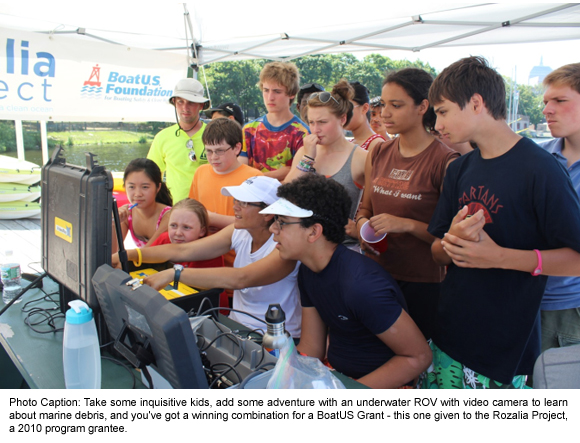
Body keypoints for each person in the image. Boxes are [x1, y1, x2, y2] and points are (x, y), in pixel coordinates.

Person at [424, 56, 580, 389]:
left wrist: (499, 257)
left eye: (442, 111)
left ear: (476, 103)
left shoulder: (543, 170)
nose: (437, 124)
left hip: (505, 348)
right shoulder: (459, 169)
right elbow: (437, 252)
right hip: (450, 335)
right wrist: (452, 240)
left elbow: (575, 259)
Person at [260, 174, 432, 388]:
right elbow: (312, 349)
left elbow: (418, 357)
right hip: (337, 376)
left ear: (314, 231)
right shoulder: (308, 269)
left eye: (282, 223)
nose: (272, 230)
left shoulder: (361, 286)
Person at [114, 176, 302, 339]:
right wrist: (126, 255)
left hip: (275, 337)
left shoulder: (285, 247)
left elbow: (241, 278)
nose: (235, 207)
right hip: (236, 326)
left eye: (243, 203)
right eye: (236, 200)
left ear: (268, 213)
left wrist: (174, 274)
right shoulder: (240, 231)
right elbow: (183, 251)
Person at [356, 68, 459, 341]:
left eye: (396, 105)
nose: (384, 113)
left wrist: (407, 225)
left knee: (417, 363)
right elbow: (364, 209)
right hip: (376, 275)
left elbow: (450, 240)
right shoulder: (377, 152)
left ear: (423, 107)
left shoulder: (446, 161)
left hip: (423, 285)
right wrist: (363, 226)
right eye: (383, 104)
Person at [285, 80, 367, 249]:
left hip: (343, 248)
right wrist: (308, 158)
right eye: (311, 122)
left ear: (342, 119)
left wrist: (359, 227)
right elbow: (285, 194)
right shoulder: (305, 152)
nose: (315, 129)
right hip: (305, 247)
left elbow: (376, 204)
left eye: (322, 122)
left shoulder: (360, 157)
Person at [539, 63, 580, 353]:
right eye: (545, 102)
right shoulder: (537, 157)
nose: (547, 110)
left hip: (570, 306)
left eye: (560, 101)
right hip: (525, 298)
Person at [188, 118, 262, 237]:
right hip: (203, 248)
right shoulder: (200, 172)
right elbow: (192, 211)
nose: (213, 157)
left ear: (237, 148)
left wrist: (212, 219)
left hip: (237, 251)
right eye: (209, 151)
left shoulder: (254, 178)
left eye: (220, 151)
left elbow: (257, 223)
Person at [240, 61, 309, 181]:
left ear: (292, 94)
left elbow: (299, 175)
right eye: (266, 90)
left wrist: (256, 177)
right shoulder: (248, 130)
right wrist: (282, 172)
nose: (270, 97)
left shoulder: (302, 133)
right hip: (251, 198)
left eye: (277, 91)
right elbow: (240, 173)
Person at [147, 78, 210, 202]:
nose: (185, 108)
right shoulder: (162, 137)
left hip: (211, 211)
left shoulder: (215, 134)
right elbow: (151, 176)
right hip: (175, 211)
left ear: (201, 105)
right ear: (174, 102)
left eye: (191, 102)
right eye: (180, 102)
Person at [148, 198, 224, 269]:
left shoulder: (210, 253)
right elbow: (145, 261)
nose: (178, 233)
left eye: (186, 227)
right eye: (173, 225)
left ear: (202, 231)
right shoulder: (164, 240)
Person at [115, 158, 173, 251]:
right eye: (131, 187)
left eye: (145, 187)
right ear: (124, 187)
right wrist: (115, 222)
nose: (138, 194)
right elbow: (113, 252)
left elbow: (147, 252)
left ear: (158, 187)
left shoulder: (169, 216)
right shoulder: (128, 215)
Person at [345, 81, 385, 152]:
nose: (342, 113)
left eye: (347, 107)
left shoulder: (377, 144)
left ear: (364, 108)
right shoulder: (350, 142)